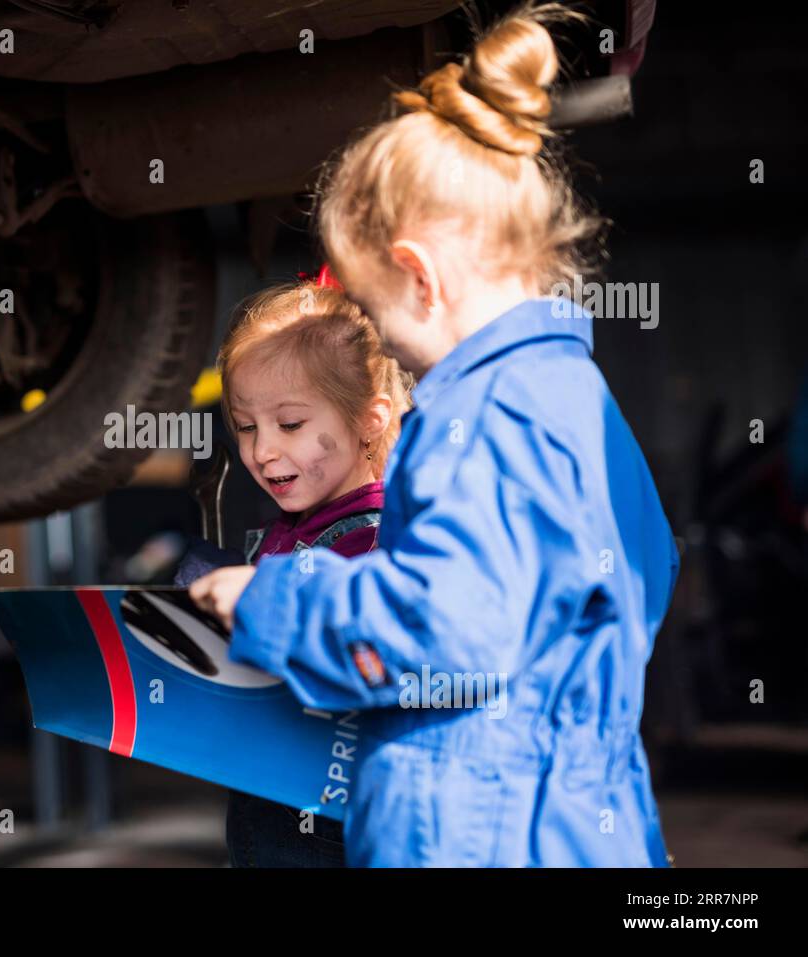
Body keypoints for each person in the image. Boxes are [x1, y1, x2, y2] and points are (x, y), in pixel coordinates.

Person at [191, 2, 679, 867]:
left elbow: (448, 626)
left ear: (418, 277)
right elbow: (649, 570)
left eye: (375, 311)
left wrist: (271, 602)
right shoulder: (581, 401)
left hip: (475, 830)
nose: (385, 344)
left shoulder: (477, 415)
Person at [175, 273, 412, 866]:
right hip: (265, 820)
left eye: (290, 425)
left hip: (335, 829)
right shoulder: (288, 530)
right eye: (247, 427)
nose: (260, 452)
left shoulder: (380, 543)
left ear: (369, 419)